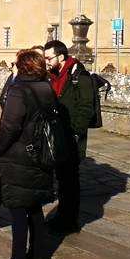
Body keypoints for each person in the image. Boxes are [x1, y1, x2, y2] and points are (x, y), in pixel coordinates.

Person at [0, 50, 57, 259]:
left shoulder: (19, 91)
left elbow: (10, 126)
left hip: (19, 155)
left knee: (18, 208)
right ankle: (38, 256)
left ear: (23, 66)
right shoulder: (46, 87)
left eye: (16, 64)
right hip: (41, 154)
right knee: (35, 207)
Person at [43, 40, 95, 236]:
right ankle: (61, 217)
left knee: (70, 181)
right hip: (57, 137)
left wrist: (75, 134)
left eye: (49, 58)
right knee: (62, 180)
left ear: (61, 57)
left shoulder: (79, 77)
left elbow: (86, 109)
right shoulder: (51, 77)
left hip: (71, 138)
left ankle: (70, 222)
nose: (46, 62)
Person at [0, 49, 25, 221]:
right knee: (6, 173)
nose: (12, 67)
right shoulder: (13, 78)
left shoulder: (33, 82)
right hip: (14, 131)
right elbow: (3, 98)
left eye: (15, 64)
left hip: (25, 137)